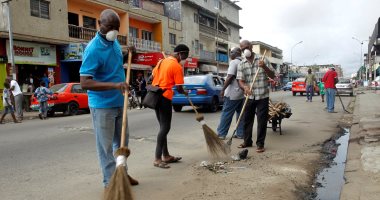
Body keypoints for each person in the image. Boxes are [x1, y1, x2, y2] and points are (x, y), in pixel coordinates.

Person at [79, 9, 138, 187]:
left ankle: (122, 174)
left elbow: (114, 67)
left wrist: (129, 52)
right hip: (102, 106)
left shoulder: (114, 43)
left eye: (116, 27)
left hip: (120, 101)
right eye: (110, 26)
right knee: (105, 148)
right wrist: (115, 86)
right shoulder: (93, 49)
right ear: (99, 24)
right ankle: (110, 184)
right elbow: (85, 83)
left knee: (121, 144)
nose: (113, 30)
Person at [151, 44, 188, 168]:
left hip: (155, 96)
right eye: (185, 56)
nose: (185, 58)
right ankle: (157, 158)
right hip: (164, 97)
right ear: (180, 54)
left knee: (162, 127)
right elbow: (178, 87)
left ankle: (165, 155)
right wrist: (184, 92)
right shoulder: (176, 66)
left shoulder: (161, 62)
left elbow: (152, 76)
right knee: (165, 128)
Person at [236, 40, 275, 153]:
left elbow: (273, 75)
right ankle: (247, 141)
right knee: (247, 120)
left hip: (262, 95)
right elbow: (240, 80)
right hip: (249, 96)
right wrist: (245, 87)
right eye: (242, 49)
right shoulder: (241, 64)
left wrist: (264, 67)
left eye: (246, 47)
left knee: (261, 121)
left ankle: (260, 144)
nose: (245, 50)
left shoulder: (262, 59)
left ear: (251, 47)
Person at [217, 47, 245, 140]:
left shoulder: (234, 62)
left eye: (231, 52)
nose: (230, 54)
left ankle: (221, 133)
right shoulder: (244, 62)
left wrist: (222, 89)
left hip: (232, 93)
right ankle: (240, 133)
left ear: (236, 53)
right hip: (242, 93)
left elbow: (230, 77)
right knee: (240, 114)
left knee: (226, 113)